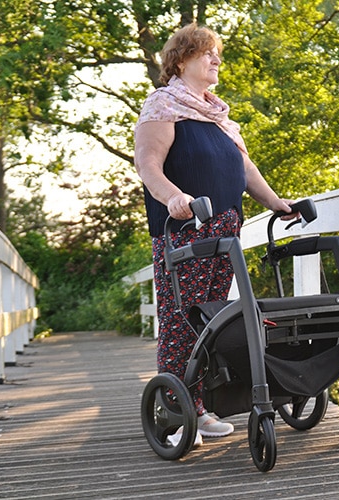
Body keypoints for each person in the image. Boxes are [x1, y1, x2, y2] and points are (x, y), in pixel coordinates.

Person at [134, 23, 294, 447]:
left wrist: (277, 203)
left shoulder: (218, 116)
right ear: (182, 59)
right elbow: (148, 164)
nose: (216, 59)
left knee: (210, 319)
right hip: (184, 230)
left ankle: (198, 407)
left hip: (225, 230)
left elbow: (245, 170)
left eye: (218, 53)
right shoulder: (164, 105)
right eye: (208, 53)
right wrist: (173, 197)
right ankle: (172, 411)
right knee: (179, 318)